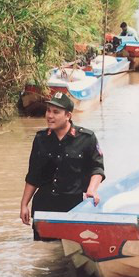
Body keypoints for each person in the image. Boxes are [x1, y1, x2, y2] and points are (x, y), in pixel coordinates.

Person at [20, 92, 104, 240]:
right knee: (43, 253)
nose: (49, 116)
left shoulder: (87, 138)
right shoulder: (40, 139)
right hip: (43, 209)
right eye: (48, 111)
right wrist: (24, 204)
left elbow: (97, 168)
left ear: (68, 115)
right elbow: (33, 175)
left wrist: (92, 190)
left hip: (72, 210)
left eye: (56, 112)